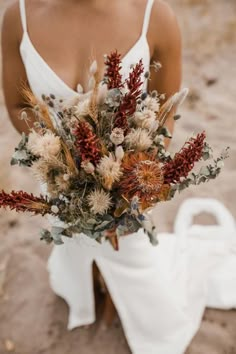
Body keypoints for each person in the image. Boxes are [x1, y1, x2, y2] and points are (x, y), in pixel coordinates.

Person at [2, 1, 199, 353]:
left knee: (140, 275)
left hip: (127, 186)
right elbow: (19, 105)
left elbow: (167, 112)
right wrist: (65, 163)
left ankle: (120, 300)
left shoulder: (157, 16)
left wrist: (132, 177)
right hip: (60, 180)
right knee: (73, 249)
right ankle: (87, 288)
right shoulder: (19, 15)